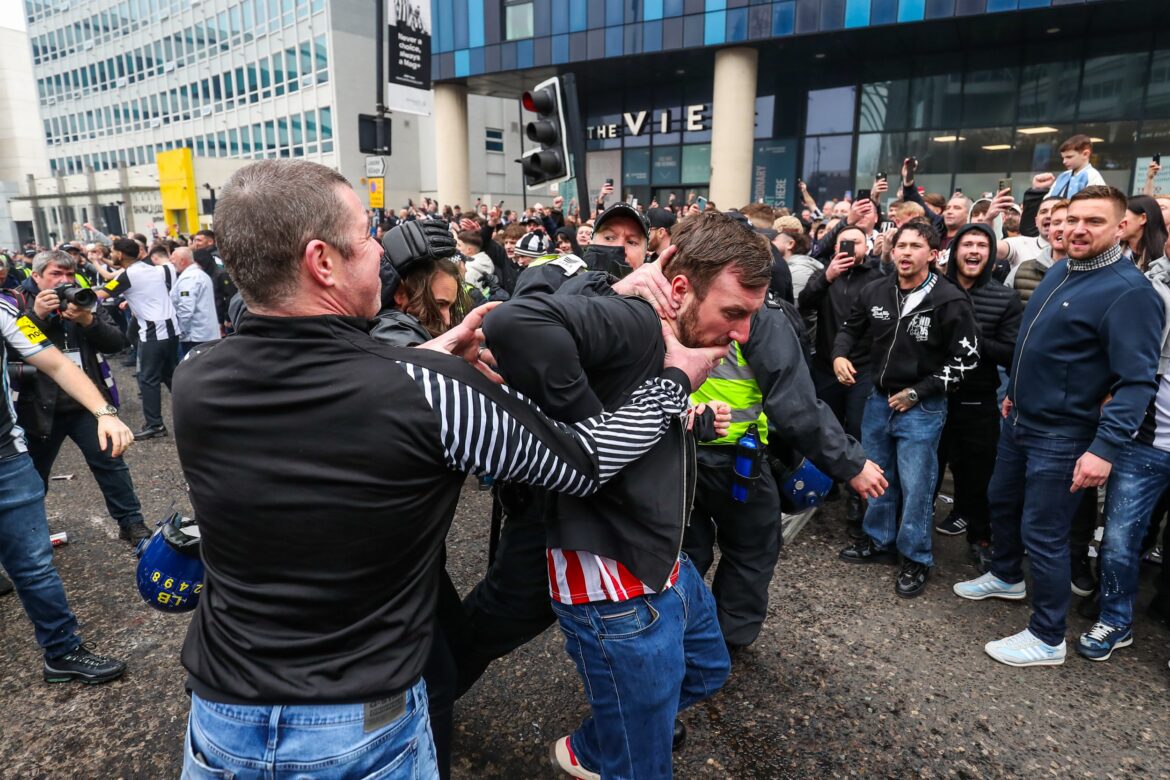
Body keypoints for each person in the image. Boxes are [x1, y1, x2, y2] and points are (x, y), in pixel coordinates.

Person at [172, 159, 722, 779]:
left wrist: (434, 355)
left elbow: (329, 389)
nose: (379, 249)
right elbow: (586, 463)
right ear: (321, 261)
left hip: (219, 717)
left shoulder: (195, 378)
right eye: (366, 236)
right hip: (359, 723)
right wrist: (676, 382)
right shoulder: (429, 392)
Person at [482, 211, 770, 779]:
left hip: (665, 560)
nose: (741, 335)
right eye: (732, 313)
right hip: (615, 587)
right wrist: (590, 434)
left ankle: (598, 745)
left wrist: (689, 417)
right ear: (681, 288)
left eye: (750, 317)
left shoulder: (674, 336)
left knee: (708, 670)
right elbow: (513, 323)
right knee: (644, 764)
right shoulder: (639, 321)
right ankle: (619, 744)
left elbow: (636, 414)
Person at [954, 186, 1163, 667]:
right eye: (1071, 220)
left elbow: (1136, 382)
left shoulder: (1131, 293)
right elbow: (1031, 343)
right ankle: (1006, 575)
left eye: (1093, 221)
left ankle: (1047, 636)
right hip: (1020, 420)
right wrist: (1012, 395)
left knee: (1044, 534)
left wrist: (1105, 449)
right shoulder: (1061, 271)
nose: (1077, 229)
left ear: (1120, 228)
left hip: (1065, 435)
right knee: (1001, 501)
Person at [684, 250, 888, 649]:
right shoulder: (760, 317)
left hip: (678, 456)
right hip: (735, 466)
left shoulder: (675, 300)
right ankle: (724, 644)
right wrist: (852, 464)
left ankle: (680, 633)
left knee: (685, 551)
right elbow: (795, 406)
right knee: (752, 549)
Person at [835, 221, 980, 598]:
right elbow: (850, 328)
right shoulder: (876, 290)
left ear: (932, 255)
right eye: (901, 245)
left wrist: (918, 392)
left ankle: (916, 557)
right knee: (877, 477)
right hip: (878, 402)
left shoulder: (950, 300)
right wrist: (838, 354)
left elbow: (966, 359)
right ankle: (878, 540)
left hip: (922, 407)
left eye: (916, 246)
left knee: (917, 486)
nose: (905, 252)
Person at [0, 286, 134, 683]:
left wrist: (104, 412)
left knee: (36, 566)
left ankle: (62, 651)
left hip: (8, 460)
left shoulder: (6, 312)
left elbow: (58, 365)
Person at [14, 250, 148, 544]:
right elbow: (11, 352)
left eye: (69, 274)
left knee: (111, 462)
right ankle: (31, 533)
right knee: (33, 474)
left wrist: (89, 321)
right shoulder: (17, 302)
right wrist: (37, 316)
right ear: (35, 277)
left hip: (85, 403)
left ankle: (132, 523)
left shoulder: (83, 297)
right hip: (38, 405)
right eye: (55, 275)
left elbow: (117, 343)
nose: (64, 281)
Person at [936, 225, 1023, 571]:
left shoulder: (1005, 298)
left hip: (977, 399)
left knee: (978, 475)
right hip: (933, 396)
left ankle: (980, 539)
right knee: (927, 470)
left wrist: (974, 340)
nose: (973, 251)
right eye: (967, 244)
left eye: (981, 245)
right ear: (955, 250)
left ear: (990, 254)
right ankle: (911, 542)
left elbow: (1011, 353)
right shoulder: (935, 290)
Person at [798, 226, 882, 536]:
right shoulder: (825, 273)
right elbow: (805, 302)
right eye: (844, 242)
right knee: (825, 425)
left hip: (864, 367)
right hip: (825, 364)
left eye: (856, 242)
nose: (850, 247)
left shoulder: (878, 276)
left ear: (867, 246)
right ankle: (825, 485)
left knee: (859, 429)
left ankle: (858, 497)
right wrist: (827, 276)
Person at [96, 237, 180, 440]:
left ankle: (155, 425)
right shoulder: (149, 268)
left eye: (113, 251)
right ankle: (194, 416)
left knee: (147, 379)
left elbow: (100, 295)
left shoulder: (128, 275)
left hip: (153, 331)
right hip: (170, 329)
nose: (111, 255)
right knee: (171, 376)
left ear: (120, 254)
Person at [170, 247, 220, 357]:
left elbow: (186, 309)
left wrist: (181, 332)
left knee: (191, 369)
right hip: (203, 333)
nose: (171, 262)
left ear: (182, 261)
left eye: (173, 259)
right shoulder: (199, 274)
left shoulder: (189, 279)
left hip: (195, 336)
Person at [1046, 134, 1106, 199]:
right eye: (1063, 158)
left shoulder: (1093, 176)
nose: (1064, 161)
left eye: (1069, 157)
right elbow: (1048, 199)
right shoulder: (1063, 176)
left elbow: (1097, 202)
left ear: (1085, 154)